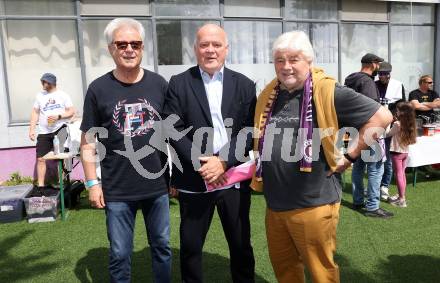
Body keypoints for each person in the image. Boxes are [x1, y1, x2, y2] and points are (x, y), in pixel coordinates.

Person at [250, 31, 392, 283]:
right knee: (285, 271)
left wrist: (350, 156)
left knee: (320, 274)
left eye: (294, 59)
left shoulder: (329, 91)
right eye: (280, 60)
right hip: (275, 204)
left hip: (314, 203)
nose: (286, 67)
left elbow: (382, 117)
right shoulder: (270, 94)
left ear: (309, 61)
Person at [80, 18, 171, 283]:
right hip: (117, 189)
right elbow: (87, 142)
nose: (129, 49)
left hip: (157, 186)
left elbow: (172, 134)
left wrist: (175, 178)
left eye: (135, 44)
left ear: (143, 47)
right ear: (111, 48)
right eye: (122, 44)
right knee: (120, 253)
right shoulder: (98, 89)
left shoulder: (159, 84)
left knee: (162, 248)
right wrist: (91, 183)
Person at [163, 23, 256, 283]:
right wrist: (203, 163)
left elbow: (248, 130)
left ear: (226, 49)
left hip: (232, 178)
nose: (210, 50)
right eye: (204, 45)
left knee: (240, 247)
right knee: (191, 249)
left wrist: (223, 161)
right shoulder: (179, 83)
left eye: (216, 45)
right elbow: (171, 127)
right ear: (195, 49)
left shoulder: (245, 84)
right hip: (195, 178)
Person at [345, 53, 394, 218]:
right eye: (379, 64)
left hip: (353, 130)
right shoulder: (367, 82)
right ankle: (372, 207)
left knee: (358, 167)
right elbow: (372, 112)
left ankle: (358, 201)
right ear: (373, 64)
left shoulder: (350, 79)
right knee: (375, 169)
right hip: (368, 132)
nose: (380, 67)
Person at [29, 73, 75, 190]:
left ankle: (62, 183)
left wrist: (58, 116)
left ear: (52, 83)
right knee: (40, 158)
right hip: (44, 131)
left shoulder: (63, 95)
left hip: (60, 129)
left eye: (46, 82)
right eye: (42, 81)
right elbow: (35, 112)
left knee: (60, 157)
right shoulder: (39, 96)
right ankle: (41, 187)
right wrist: (32, 129)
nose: (43, 84)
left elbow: (71, 111)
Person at [374, 61, 406, 200]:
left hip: (389, 125)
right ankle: (375, 186)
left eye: (385, 74)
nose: (382, 76)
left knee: (386, 156)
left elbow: (402, 105)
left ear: (389, 74)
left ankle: (384, 186)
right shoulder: (373, 84)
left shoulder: (397, 85)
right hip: (374, 124)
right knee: (374, 157)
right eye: (380, 73)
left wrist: (392, 117)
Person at [386, 102, 417, 208]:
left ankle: (402, 199)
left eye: (398, 110)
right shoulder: (410, 123)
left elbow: (388, 134)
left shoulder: (397, 124)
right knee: (402, 174)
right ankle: (401, 196)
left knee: (398, 174)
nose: (396, 112)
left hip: (396, 152)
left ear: (402, 112)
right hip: (405, 152)